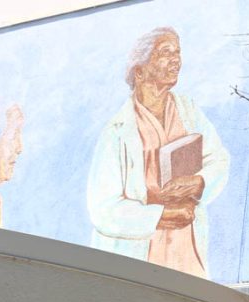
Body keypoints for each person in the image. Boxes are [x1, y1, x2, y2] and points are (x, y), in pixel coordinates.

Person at [87, 27, 229, 278]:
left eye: (178, 52)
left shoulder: (188, 110)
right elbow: (103, 210)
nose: (176, 59)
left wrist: (199, 182)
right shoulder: (117, 132)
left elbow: (218, 159)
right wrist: (160, 216)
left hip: (186, 253)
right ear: (139, 71)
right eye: (165, 53)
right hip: (140, 259)